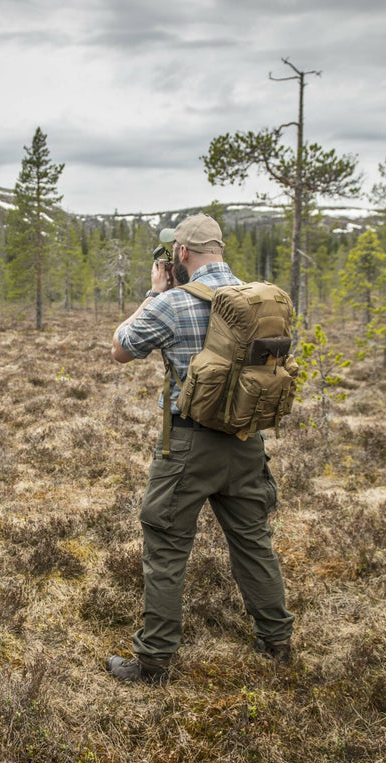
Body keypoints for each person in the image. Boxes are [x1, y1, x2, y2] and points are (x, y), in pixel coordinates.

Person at [106, 213, 295, 685]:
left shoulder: (170, 302)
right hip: (246, 441)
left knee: (167, 547)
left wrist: (155, 291)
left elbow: (120, 348)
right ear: (221, 250)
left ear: (181, 254)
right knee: (253, 542)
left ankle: (153, 663)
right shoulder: (260, 300)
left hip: (187, 445)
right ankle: (276, 642)